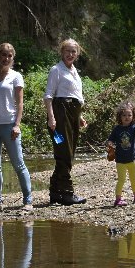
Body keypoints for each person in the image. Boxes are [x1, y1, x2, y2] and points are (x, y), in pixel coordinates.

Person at [0, 42, 33, 212]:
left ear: (12, 58)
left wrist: (17, 125)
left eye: (9, 56)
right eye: (3, 55)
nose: (6, 58)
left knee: (18, 164)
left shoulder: (16, 76)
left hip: (9, 126)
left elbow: (20, 103)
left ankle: (28, 201)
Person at [43, 38, 87, 206]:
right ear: (61, 52)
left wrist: (79, 117)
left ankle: (55, 191)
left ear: (77, 54)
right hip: (60, 115)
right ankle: (67, 193)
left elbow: (76, 96)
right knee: (64, 151)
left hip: (73, 115)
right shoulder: (56, 70)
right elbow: (48, 96)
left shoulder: (75, 72)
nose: (70, 54)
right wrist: (52, 118)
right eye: (67, 51)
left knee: (67, 152)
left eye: (73, 51)